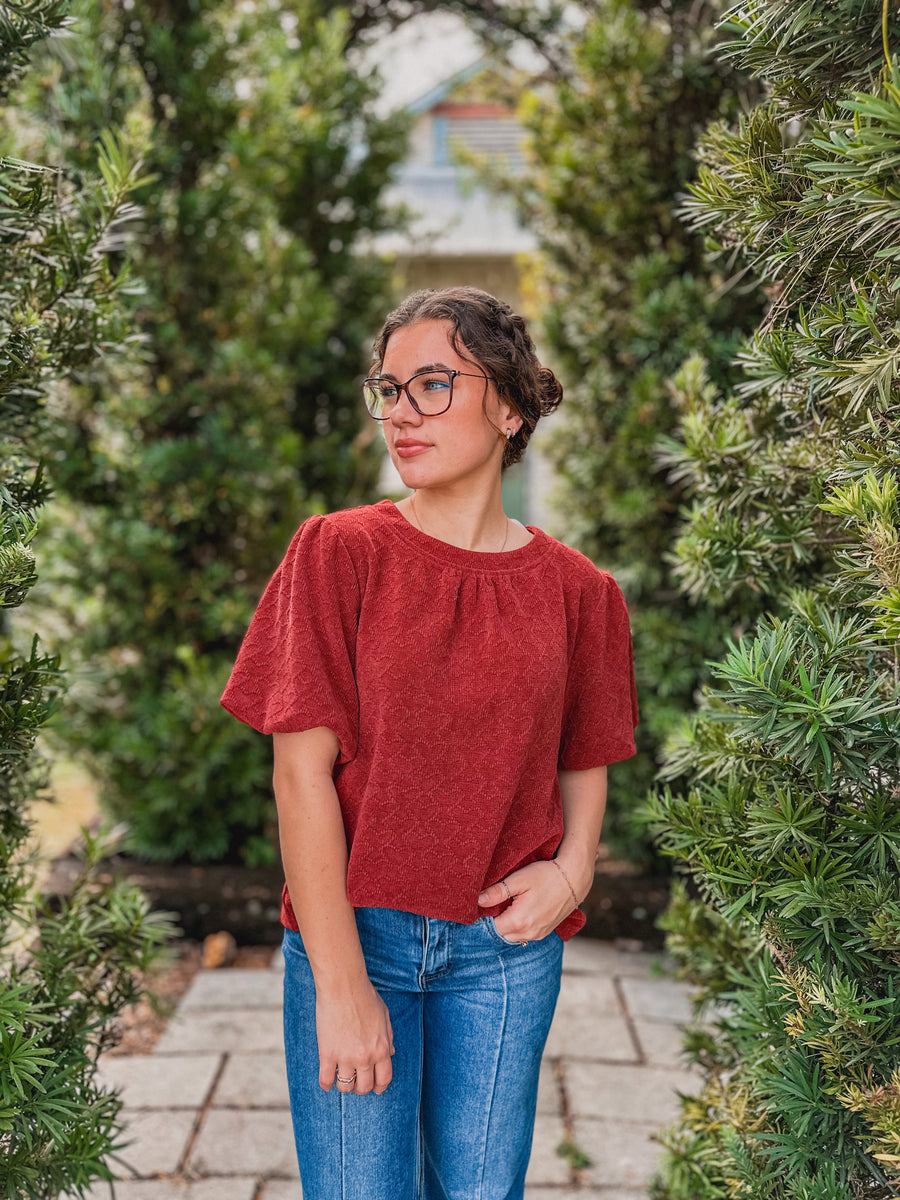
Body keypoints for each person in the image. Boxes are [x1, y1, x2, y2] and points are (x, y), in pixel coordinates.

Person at [220, 286, 639, 1200]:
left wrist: (573, 871)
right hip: (351, 936)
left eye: (434, 384)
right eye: (389, 389)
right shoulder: (337, 553)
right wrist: (340, 984)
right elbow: (301, 779)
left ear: (512, 406)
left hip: (504, 957)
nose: (401, 413)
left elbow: (586, 757)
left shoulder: (581, 593)